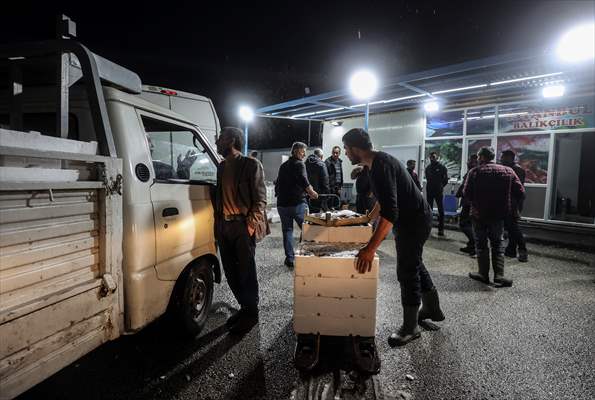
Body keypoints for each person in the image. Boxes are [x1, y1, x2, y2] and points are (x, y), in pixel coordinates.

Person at [342, 128, 445, 347]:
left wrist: (369, 249)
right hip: (413, 219)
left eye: (346, 149)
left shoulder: (381, 166)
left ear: (356, 148)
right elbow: (386, 199)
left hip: (414, 222)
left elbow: (390, 213)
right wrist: (368, 218)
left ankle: (410, 328)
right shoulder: (376, 163)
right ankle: (432, 308)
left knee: (406, 271)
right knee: (414, 263)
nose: (345, 153)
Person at [214, 127, 268, 334]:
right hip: (224, 226)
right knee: (230, 271)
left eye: (221, 138)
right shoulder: (221, 167)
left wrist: (250, 225)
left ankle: (251, 313)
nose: (218, 141)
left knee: (246, 271)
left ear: (232, 140)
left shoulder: (250, 164)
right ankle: (244, 308)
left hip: (242, 226)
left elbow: (261, 198)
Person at [463, 147, 524, 287]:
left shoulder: (475, 172)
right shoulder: (508, 171)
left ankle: (483, 274)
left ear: (482, 157)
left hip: (479, 215)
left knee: (481, 244)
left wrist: (476, 203)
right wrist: (509, 204)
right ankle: (499, 276)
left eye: (478, 157)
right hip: (499, 215)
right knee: (498, 244)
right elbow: (520, 192)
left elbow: (467, 193)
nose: (477, 160)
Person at [276, 142, 319, 268]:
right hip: (297, 203)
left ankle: (290, 258)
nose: (304, 154)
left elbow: (278, 183)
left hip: (282, 204)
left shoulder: (283, 166)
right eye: (302, 151)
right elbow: (303, 180)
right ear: (295, 151)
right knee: (308, 229)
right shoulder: (300, 164)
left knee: (287, 231)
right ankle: (304, 255)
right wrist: (312, 193)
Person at [501, 150, 528, 262]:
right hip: (509, 202)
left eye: (503, 157)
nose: (501, 159)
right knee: (511, 227)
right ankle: (511, 250)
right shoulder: (508, 168)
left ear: (509, 158)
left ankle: (523, 250)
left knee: (513, 227)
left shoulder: (517, 170)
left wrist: (516, 207)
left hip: (513, 203)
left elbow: (517, 189)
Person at [456, 154, 478, 256]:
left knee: (464, 224)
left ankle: (474, 244)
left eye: (470, 160)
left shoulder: (474, 172)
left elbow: (467, 187)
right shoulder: (472, 172)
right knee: (469, 224)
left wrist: (460, 193)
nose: (467, 162)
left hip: (469, 203)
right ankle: (471, 245)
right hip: (469, 202)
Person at [424, 152, 449, 236]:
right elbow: (427, 178)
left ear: (437, 157)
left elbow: (445, 180)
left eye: (434, 157)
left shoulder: (442, 167)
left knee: (441, 210)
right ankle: (428, 228)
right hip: (430, 191)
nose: (432, 158)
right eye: (431, 157)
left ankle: (441, 229)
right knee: (429, 210)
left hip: (438, 191)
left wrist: (440, 186)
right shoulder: (428, 168)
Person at [305, 148, 330, 213]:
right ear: (321, 156)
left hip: (308, 193)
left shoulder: (306, 163)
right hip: (318, 194)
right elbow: (325, 180)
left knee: (310, 213)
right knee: (317, 215)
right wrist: (327, 194)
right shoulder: (321, 164)